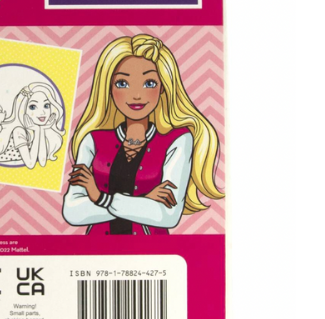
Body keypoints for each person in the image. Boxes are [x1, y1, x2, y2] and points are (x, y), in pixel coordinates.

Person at [63, 34, 223, 235]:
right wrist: (144, 201)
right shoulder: (93, 140)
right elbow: (73, 212)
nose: (136, 95)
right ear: (108, 88)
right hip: (97, 248)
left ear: (163, 87)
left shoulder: (178, 140)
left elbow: (167, 215)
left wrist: (100, 198)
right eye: (122, 83)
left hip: (153, 250)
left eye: (149, 83)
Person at [0, 82, 65, 169]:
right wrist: (37, 130)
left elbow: (42, 162)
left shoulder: (37, 128)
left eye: (46, 105)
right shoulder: (18, 131)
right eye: (33, 107)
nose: (42, 112)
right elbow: (30, 164)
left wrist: (41, 129)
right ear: (23, 108)